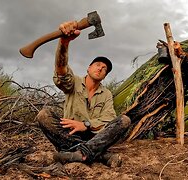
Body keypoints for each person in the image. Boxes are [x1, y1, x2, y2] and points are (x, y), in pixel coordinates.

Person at [35, 21, 131, 167]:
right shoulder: (74, 82)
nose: (100, 68)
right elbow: (62, 71)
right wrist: (64, 43)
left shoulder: (106, 94)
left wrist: (86, 125)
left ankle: (78, 153)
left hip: (94, 135)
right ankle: (100, 155)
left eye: (104, 68)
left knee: (124, 120)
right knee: (43, 115)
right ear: (88, 68)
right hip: (69, 134)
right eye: (97, 64)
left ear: (105, 75)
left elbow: (109, 118)